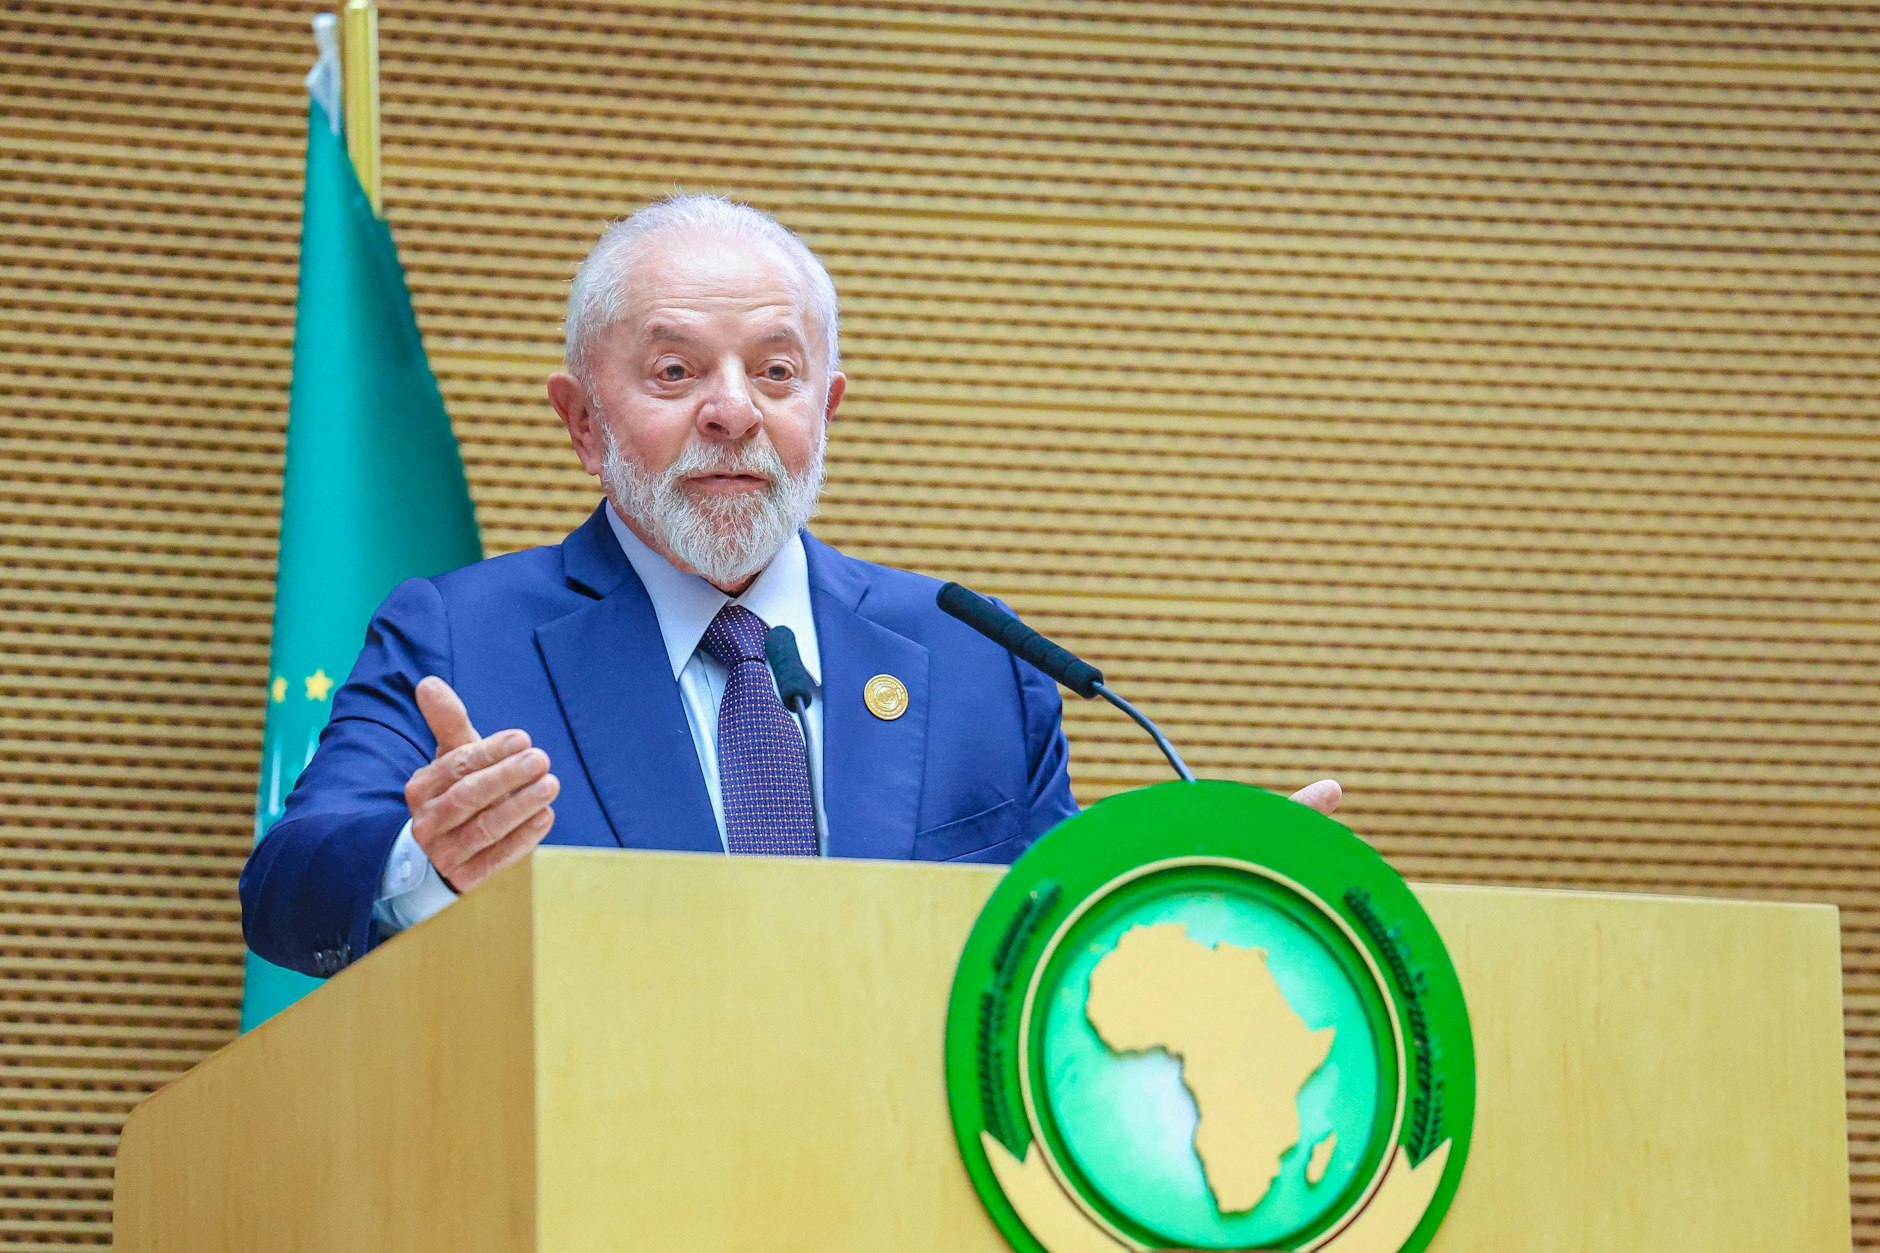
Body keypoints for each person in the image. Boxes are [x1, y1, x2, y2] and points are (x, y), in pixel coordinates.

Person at [238, 194, 1341, 979]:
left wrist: (1185, 885)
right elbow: (283, 889)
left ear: (826, 409)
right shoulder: (460, 634)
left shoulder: (975, 658)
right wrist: (423, 859)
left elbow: (1035, 944)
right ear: (581, 422)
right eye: (674, 372)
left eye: (776, 371)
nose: (733, 410)